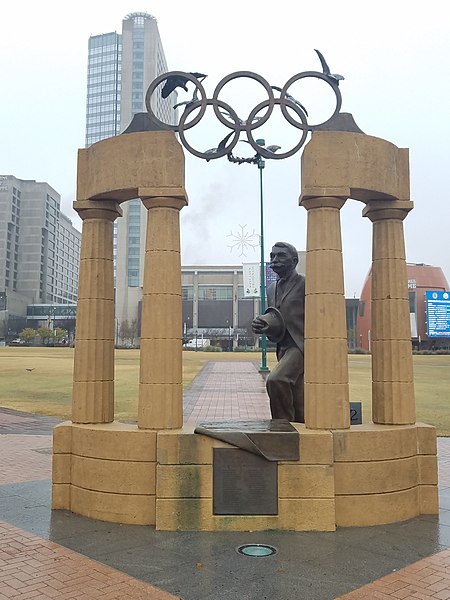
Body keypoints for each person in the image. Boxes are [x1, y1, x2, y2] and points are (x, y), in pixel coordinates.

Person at [252, 242, 305, 422]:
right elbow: (277, 318)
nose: (274, 260)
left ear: (294, 260)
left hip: (301, 345)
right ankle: (299, 426)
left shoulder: (306, 283)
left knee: (276, 380)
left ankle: (282, 426)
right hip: (283, 346)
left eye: (280, 256)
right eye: (272, 256)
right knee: (297, 394)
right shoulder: (271, 288)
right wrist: (264, 324)